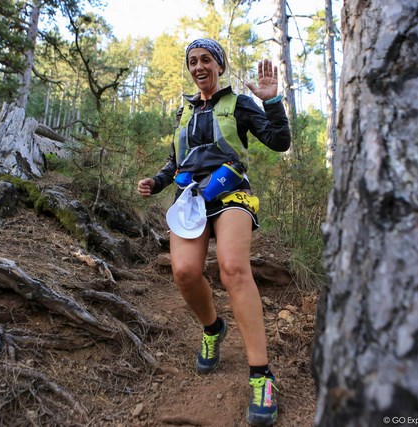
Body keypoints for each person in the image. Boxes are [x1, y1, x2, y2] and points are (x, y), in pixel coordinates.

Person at [137, 38, 290, 427]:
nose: (199, 67)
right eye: (193, 61)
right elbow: (175, 160)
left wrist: (272, 101)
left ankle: (261, 376)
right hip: (190, 197)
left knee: (233, 268)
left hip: (230, 190)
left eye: (206, 59)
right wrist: (156, 182)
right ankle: (213, 328)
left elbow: (279, 141)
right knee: (185, 272)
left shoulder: (239, 104)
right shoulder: (184, 112)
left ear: (219, 65)